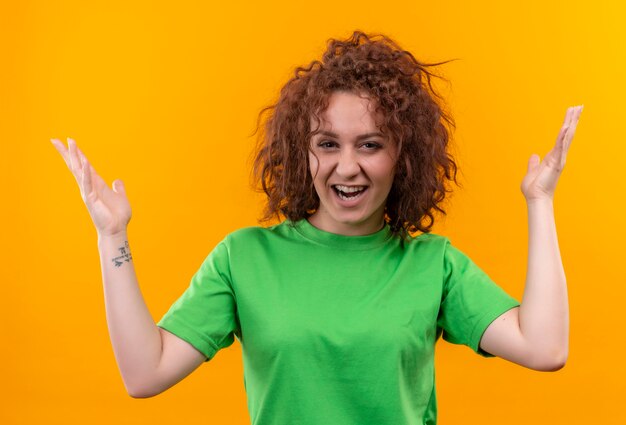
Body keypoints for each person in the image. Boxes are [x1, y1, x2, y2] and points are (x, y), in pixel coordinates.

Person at [51, 30, 582, 425]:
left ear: (404, 155)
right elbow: (146, 374)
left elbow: (545, 348)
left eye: (369, 144)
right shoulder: (245, 257)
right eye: (328, 144)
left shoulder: (432, 264)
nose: (346, 166)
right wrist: (112, 238)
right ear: (301, 153)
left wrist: (540, 202)